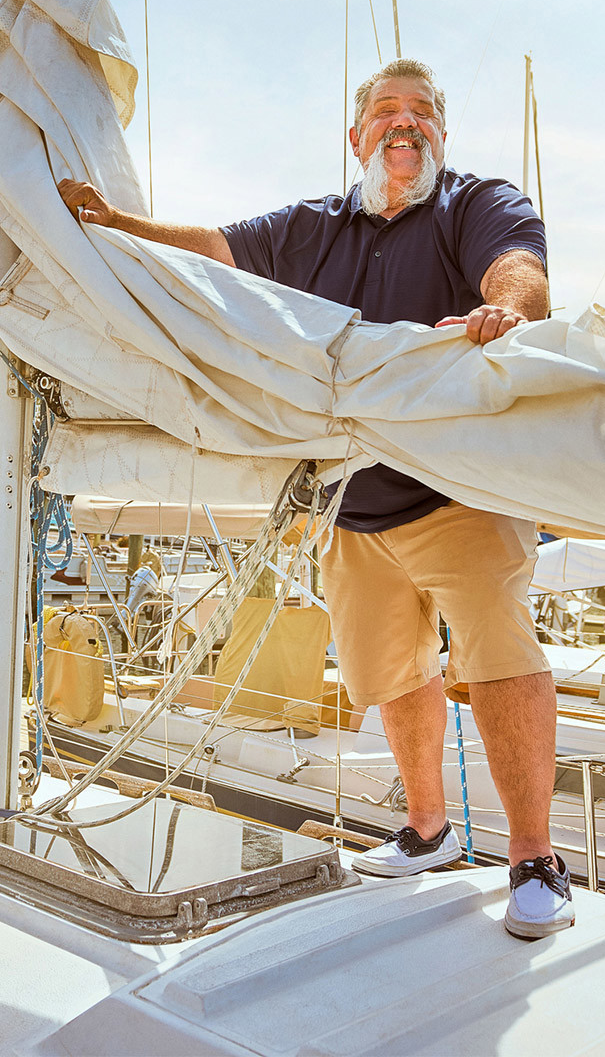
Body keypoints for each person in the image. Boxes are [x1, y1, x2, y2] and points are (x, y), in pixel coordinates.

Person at [58, 57, 574, 939]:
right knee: (396, 675)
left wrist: (508, 312)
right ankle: (427, 831)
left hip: (459, 494)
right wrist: (116, 223)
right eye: (386, 111)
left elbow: (518, 267)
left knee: (499, 662)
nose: (404, 123)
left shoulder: (474, 203)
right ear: (357, 136)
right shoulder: (313, 228)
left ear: (441, 135)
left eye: (421, 112)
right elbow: (216, 251)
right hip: (352, 506)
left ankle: (535, 859)